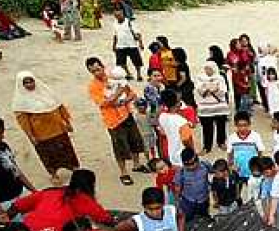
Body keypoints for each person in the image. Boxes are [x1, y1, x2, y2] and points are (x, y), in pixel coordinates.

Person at [85, 57, 148, 186]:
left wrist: (123, 100)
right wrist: (119, 93)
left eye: (98, 69)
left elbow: (132, 94)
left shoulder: (114, 77)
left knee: (134, 140)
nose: (97, 73)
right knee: (119, 147)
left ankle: (136, 164)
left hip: (126, 114)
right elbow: (104, 103)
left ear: (103, 67)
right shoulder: (93, 87)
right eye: (93, 71)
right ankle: (123, 172)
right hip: (112, 120)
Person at [6, 169, 114, 231]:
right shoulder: (85, 199)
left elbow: (16, 206)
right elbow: (106, 219)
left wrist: (6, 221)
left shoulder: (48, 192)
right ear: (92, 185)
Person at [13, 71, 80, 182]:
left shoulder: (47, 93)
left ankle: (74, 168)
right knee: (47, 155)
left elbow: (60, 107)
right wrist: (31, 136)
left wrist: (67, 122)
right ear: (21, 85)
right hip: (41, 134)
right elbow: (24, 122)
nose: (29, 84)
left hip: (58, 129)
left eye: (31, 81)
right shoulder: (20, 102)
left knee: (67, 150)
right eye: (26, 83)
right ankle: (53, 174)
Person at [195, 61, 230, 153]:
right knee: (207, 128)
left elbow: (223, 91)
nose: (207, 70)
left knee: (221, 126)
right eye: (206, 68)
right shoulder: (200, 78)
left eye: (209, 68)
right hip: (205, 107)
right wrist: (211, 88)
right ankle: (207, 146)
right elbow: (199, 90)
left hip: (219, 107)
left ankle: (221, 142)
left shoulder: (220, 78)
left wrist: (211, 88)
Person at [157, 89, 196, 166]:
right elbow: (187, 141)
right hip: (183, 156)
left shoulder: (162, 116)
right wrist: (193, 152)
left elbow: (162, 132)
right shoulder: (181, 121)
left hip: (171, 153)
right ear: (177, 103)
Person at [227, 111, 266, 184]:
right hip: (238, 170)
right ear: (235, 125)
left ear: (249, 124)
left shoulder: (255, 136)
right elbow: (230, 153)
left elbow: (260, 152)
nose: (242, 128)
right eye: (239, 126)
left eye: (245, 125)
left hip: (253, 170)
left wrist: (260, 168)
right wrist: (230, 167)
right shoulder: (232, 138)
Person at [173, 148, 212, 221]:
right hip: (188, 202)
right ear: (183, 163)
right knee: (189, 220)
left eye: (194, 162)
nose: (192, 166)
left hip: (204, 200)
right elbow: (177, 188)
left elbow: (214, 172)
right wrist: (177, 203)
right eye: (188, 164)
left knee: (204, 218)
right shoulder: (180, 173)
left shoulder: (205, 165)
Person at [112, 8, 144, 81]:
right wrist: (114, 45)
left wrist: (140, 43)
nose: (118, 17)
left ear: (123, 14)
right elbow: (115, 35)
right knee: (121, 62)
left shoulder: (129, 22)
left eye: (119, 15)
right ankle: (128, 73)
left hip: (131, 45)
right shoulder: (115, 24)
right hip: (120, 45)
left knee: (137, 61)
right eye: (116, 15)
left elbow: (138, 33)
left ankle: (139, 74)